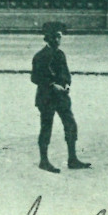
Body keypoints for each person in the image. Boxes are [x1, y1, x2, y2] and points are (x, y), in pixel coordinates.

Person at [30, 29, 90, 173]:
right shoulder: (40, 56)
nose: (59, 40)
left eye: (59, 37)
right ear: (50, 39)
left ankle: (72, 158)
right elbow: (35, 78)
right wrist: (52, 85)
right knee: (46, 128)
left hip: (61, 97)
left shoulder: (60, 54)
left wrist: (67, 84)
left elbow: (66, 73)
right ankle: (43, 161)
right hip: (46, 97)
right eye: (57, 37)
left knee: (70, 124)